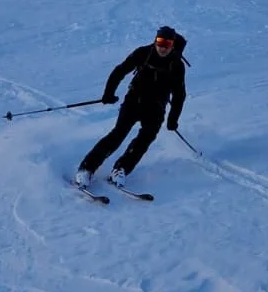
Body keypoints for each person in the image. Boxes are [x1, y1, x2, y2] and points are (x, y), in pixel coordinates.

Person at [74, 26, 187, 188]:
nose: (162, 47)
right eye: (160, 42)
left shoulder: (177, 65)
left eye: (167, 44)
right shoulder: (143, 53)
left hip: (156, 107)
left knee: (146, 138)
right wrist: (108, 93)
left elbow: (179, 95)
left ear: (173, 45)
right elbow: (119, 71)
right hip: (134, 101)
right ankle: (86, 169)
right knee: (118, 134)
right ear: (155, 41)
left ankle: (121, 169)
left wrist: (173, 119)